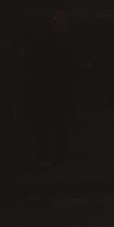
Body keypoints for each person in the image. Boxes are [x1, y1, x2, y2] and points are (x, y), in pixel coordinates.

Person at [24, 9, 79, 166]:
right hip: (54, 89)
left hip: (49, 89)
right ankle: (54, 157)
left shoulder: (46, 41)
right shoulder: (63, 41)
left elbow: (34, 64)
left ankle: (46, 156)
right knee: (56, 124)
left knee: (48, 125)